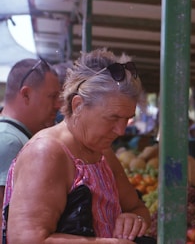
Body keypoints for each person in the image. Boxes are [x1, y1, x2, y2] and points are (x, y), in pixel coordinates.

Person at [2, 48, 151, 243]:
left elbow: (138, 208)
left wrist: (134, 219)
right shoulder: (46, 153)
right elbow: (25, 240)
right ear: (78, 105)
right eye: (113, 117)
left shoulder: (103, 153)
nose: (121, 131)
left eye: (127, 119)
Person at [0, 58, 61, 227]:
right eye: (52, 96)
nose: (58, 105)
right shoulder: (9, 142)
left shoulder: (14, 136)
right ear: (26, 94)